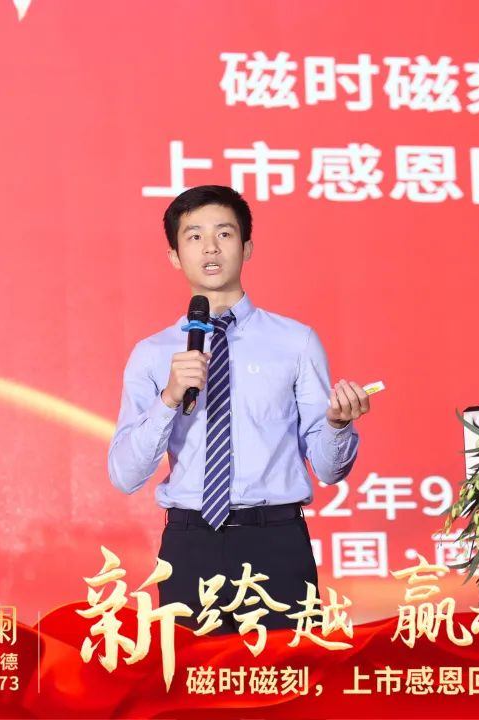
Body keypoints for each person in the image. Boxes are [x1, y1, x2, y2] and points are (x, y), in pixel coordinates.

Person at [108, 185, 371, 633]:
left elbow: (330, 471)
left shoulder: (295, 341)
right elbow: (124, 475)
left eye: (224, 234)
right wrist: (169, 398)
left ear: (247, 247)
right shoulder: (152, 354)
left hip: (275, 542)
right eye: (194, 236)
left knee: (288, 675)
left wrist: (338, 425)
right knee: (194, 677)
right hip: (190, 545)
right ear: (174, 256)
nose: (210, 247)